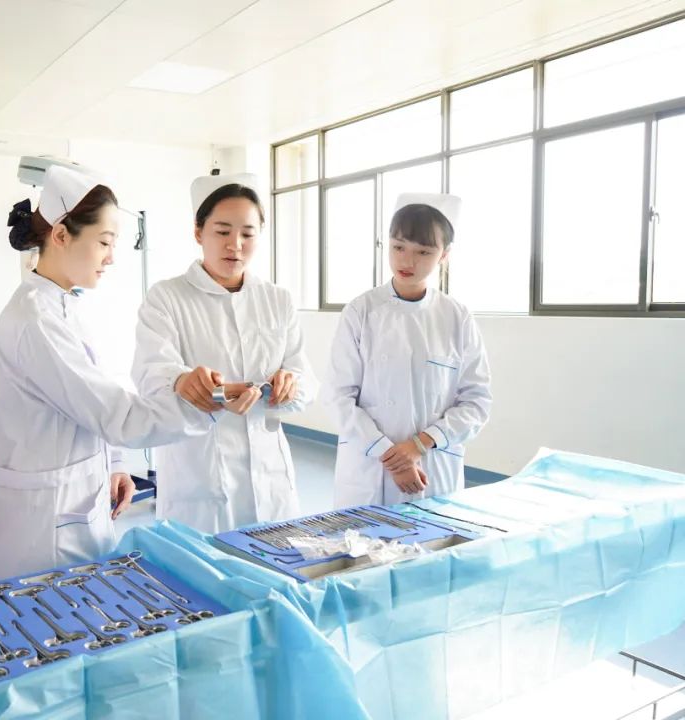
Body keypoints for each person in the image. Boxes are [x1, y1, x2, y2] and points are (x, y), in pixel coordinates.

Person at [0, 165, 212, 579]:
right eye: (104, 242)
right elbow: (115, 414)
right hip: (43, 529)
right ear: (60, 235)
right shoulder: (37, 319)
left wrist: (114, 464)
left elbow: (90, 397)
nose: (111, 257)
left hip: (74, 505)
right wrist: (206, 405)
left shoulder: (64, 304)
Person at [131, 173, 320, 533]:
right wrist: (182, 380)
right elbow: (150, 372)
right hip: (199, 477)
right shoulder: (167, 297)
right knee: (200, 565)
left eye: (248, 233)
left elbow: (305, 377)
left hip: (270, 476)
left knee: (275, 560)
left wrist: (291, 384)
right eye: (222, 231)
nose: (235, 244)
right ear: (198, 232)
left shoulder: (277, 299)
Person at [328, 193, 491, 507]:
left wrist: (419, 445)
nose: (407, 261)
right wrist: (393, 458)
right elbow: (338, 397)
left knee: (432, 537)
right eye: (398, 247)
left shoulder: (456, 317)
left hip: (432, 468)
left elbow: (477, 402)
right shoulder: (360, 311)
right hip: (369, 469)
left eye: (424, 251)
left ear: (444, 255)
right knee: (365, 538)